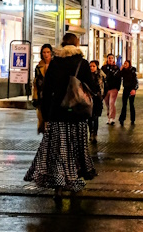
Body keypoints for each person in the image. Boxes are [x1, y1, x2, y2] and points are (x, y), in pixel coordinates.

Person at [24, 33, 97, 195]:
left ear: (62, 45)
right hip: (77, 114)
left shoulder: (55, 63)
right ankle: (73, 179)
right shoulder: (82, 63)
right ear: (76, 44)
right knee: (76, 148)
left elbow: (47, 90)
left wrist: (45, 114)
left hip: (57, 113)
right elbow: (92, 87)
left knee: (58, 149)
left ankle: (58, 183)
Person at [32, 44, 53, 134]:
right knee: (42, 117)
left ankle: (50, 136)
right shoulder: (38, 67)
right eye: (44, 52)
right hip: (42, 96)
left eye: (48, 52)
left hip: (53, 96)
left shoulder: (55, 65)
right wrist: (35, 96)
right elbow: (35, 83)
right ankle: (45, 136)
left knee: (51, 118)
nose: (46, 54)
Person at [87, 60, 105, 144]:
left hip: (98, 99)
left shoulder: (101, 75)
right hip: (89, 98)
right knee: (90, 117)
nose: (91, 68)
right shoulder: (87, 76)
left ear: (97, 67)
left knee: (96, 117)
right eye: (90, 66)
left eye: (93, 66)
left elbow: (105, 87)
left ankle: (95, 134)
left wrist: (102, 96)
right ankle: (91, 132)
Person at [101, 54, 121, 125]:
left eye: (112, 58)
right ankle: (108, 117)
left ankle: (112, 118)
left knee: (111, 103)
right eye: (109, 58)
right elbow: (102, 78)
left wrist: (118, 87)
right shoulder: (103, 68)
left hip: (113, 88)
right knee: (107, 104)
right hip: (106, 88)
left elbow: (119, 78)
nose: (110, 59)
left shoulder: (116, 68)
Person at [118, 60, 138, 126]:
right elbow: (118, 76)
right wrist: (120, 69)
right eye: (124, 63)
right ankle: (122, 119)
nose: (125, 64)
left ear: (129, 64)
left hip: (131, 89)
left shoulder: (132, 71)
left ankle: (132, 119)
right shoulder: (123, 71)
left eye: (126, 63)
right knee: (124, 104)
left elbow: (135, 81)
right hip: (126, 89)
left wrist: (134, 89)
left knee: (131, 104)